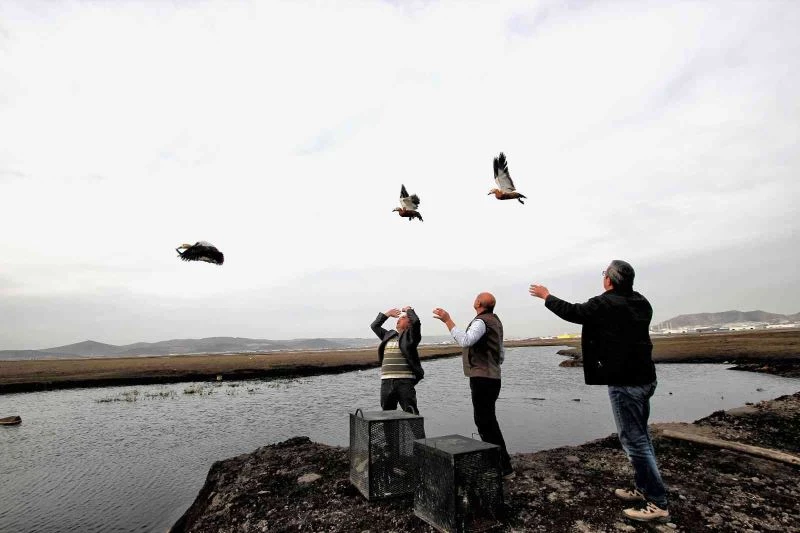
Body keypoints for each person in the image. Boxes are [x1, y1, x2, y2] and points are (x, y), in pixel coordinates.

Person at [529, 260, 669, 523]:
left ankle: (658, 503)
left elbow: (573, 312)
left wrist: (546, 296)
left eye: (605, 274)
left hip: (626, 383)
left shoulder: (607, 303)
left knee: (634, 441)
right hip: (645, 378)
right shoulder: (642, 302)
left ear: (610, 280)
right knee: (641, 437)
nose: (603, 277)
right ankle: (644, 488)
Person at [432, 292, 513, 477]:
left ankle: (502, 466)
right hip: (493, 377)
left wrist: (447, 320)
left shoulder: (481, 321)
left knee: (485, 422)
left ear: (478, 303)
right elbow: (500, 354)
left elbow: (465, 340)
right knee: (487, 420)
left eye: (476, 297)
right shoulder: (495, 321)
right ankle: (499, 464)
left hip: (482, 378)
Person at [370, 306, 424, 414]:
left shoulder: (411, 337)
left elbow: (416, 322)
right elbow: (374, 326)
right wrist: (387, 314)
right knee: (387, 415)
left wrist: (409, 310)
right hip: (386, 381)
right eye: (399, 318)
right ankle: (391, 432)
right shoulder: (388, 335)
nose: (399, 319)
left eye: (403, 318)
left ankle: (416, 431)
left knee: (411, 414)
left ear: (409, 324)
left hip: (405, 382)